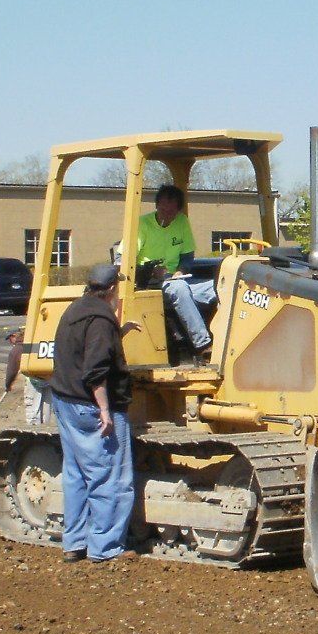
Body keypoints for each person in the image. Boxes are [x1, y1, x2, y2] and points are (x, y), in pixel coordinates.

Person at [48, 263, 135, 562]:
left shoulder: (74, 311)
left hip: (65, 400)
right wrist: (105, 410)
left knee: (75, 474)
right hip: (89, 406)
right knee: (109, 477)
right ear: (111, 289)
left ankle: (74, 543)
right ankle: (105, 548)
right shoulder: (100, 319)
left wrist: (118, 334)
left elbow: (82, 350)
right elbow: (95, 369)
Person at [138, 183, 215, 359]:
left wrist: (181, 270)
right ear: (157, 205)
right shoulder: (142, 225)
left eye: (171, 212)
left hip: (176, 279)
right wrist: (150, 272)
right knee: (180, 289)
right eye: (163, 210)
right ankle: (202, 344)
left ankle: (224, 338)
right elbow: (124, 260)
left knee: (218, 286)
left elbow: (187, 256)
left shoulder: (181, 222)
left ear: (178, 211)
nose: (166, 216)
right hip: (150, 283)